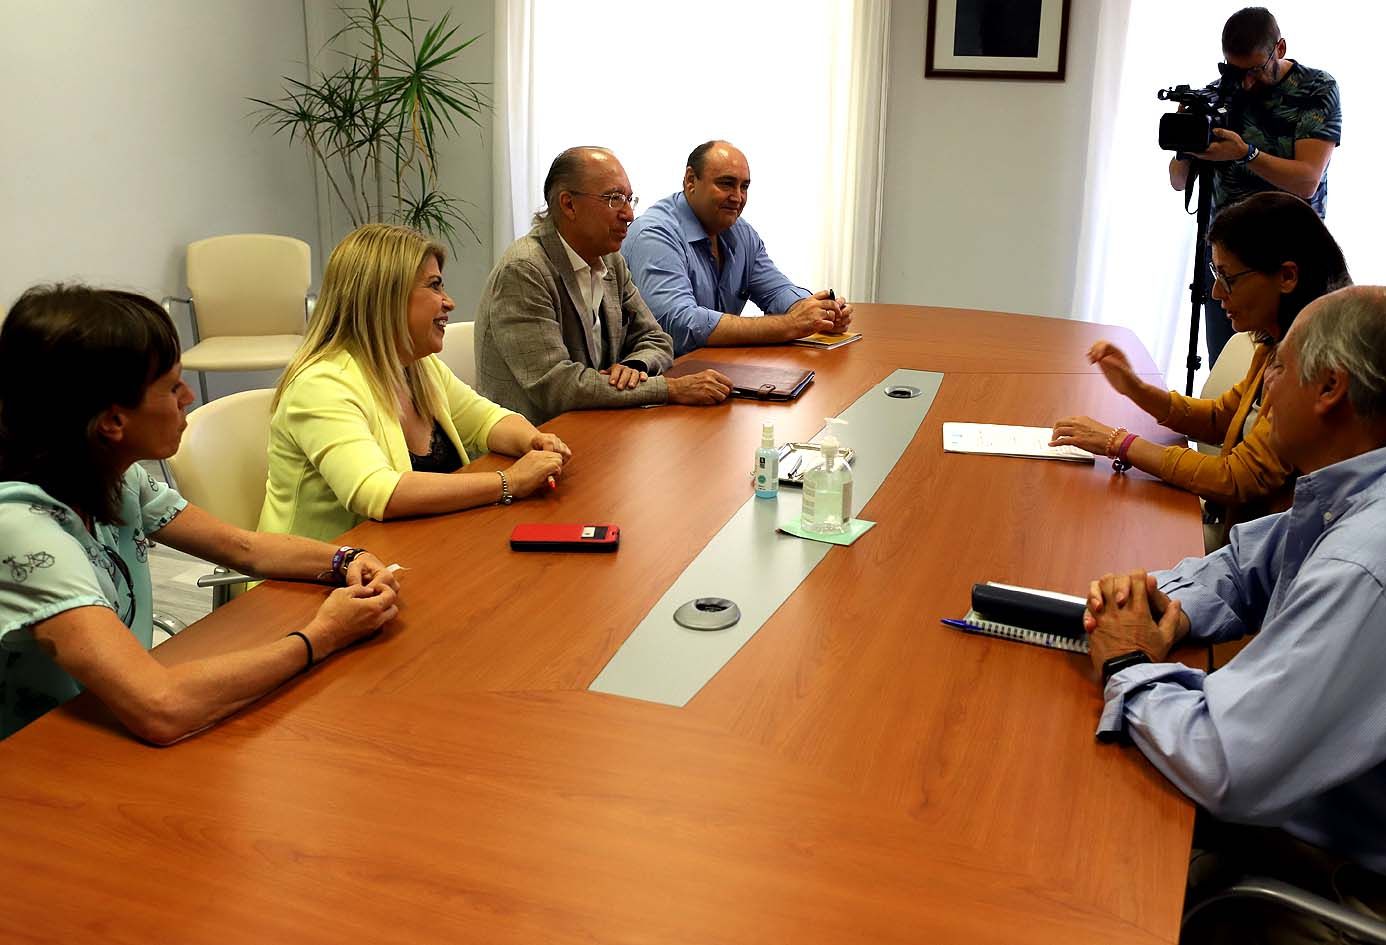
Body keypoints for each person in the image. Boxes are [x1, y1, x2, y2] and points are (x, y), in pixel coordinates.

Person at [1083, 285, 1386, 943]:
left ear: (1329, 387)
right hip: (1296, 797)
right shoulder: (1350, 489)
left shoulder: (1367, 564)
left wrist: (1130, 662)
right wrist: (1164, 609)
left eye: (1278, 367)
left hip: (1341, 873)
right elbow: (1242, 564)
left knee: (1095, 864)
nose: (1265, 387)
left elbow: (1225, 760)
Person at [0, 286, 402, 744]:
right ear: (112, 422)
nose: (189, 395)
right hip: (34, 762)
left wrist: (345, 561)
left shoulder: (112, 476)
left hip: (101, 727)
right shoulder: (23, 529)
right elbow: (161, 705)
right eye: (172, 386)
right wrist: (322, 636)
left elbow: (243, 547)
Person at [1050, 192, 1349, 548]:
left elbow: (1237, 477)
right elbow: (1221, 418)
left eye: (1229, 277)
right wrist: (1134, 387)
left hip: (1264, 562)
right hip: (1237, 540)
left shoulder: (1316, 370)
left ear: (1286, 276)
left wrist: (1120, 443)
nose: (1217, 292)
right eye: (1215, 274)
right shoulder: (1277, 342)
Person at [260, 224, 570, 544]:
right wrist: (508, 482)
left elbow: (485, 420)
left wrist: (534, 441)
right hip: (309, 580)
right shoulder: (321, 385)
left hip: (404, 555)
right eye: (434, 286)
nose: (448, 302)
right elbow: (379, 493)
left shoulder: (416, 366)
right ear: (386, 299)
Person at [474, 146, 733, 426]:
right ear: (569, 205)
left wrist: (634, 367)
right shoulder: (525, 270)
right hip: (531, 443)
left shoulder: (610, 259)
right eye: (614, 199)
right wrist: (670, 389)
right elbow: (559, 387)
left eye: (629, 199)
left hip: (597, 424)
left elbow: (657, 339)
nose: (629, 214)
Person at [1168, 6, 1341, 363]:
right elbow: (1176, 180)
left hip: (1288, 260)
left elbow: (1307, 180)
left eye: (1255, 70)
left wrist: (1244, 153)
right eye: (1234, 70)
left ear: (1279, 49)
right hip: (1227, 258)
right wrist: (1186, 145)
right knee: (1227, 366)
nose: (1245, 82)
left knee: (1290, 372)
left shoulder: (1315, 89)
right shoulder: (1221, 93)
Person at [622, 140, 851, 357]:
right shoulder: (654, 234)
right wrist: (792, 324)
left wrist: (819, 312)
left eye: (745, 187)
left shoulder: (740, 232)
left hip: (714, 371)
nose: (738, 197)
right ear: (691, 180)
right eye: (726, 184)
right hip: (659, 379)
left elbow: (776, 290)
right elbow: (678, 325)